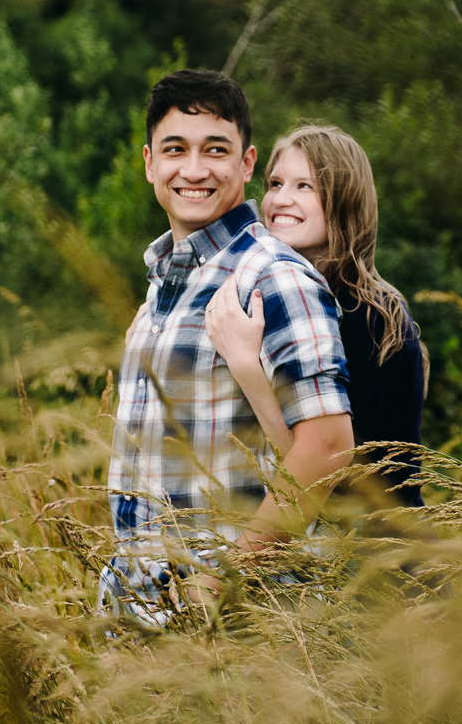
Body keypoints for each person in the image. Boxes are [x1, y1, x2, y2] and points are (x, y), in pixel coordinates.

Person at [102, 70, 355, 623]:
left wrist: (223, 583)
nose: (194, 170)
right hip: (141, 609)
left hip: (240, 619)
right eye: (176, 149)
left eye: (215, 150)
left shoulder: (272, 278)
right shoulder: (161, 292)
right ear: (149, 163)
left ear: (246, 164)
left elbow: (329, 448)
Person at [206, 124, 426, 508]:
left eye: (304, 186)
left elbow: (329, 472)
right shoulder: (282, 297)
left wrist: (246, 368)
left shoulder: (372, 317)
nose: (280, 200)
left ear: (346, 200)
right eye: (275, 184)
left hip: (380, 553)